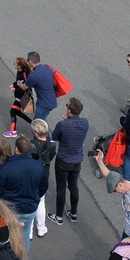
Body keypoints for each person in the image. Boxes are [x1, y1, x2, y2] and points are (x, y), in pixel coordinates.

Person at [0, 133, 49, 251]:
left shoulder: (7, 168)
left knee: (9, 237)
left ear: (16, 149)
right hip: (30, 209)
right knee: (25, 236)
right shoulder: (39, 166)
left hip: (11, 209)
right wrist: (35, 196)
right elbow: (43, 187)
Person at [48, 96, 89, 225]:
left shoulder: (63, 124)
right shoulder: (85, 123)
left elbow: (54, 137)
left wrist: (64, 120)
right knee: (73, 186)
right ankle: (73, 213)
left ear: (69, 110)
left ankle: (59, 217)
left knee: (61, 188)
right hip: (77, 160)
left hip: (63, 160)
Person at [30, 118, 57, 238]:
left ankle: (29, 231)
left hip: (32, 173)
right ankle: (41, 227)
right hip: (44, 173)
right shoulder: (52, 145)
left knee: (30, 201)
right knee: (41, 201)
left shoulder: (31, 145)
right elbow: (50, 158)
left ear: (36, 132)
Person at [13, 50, 58, 122]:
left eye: (28, 60)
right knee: (42, 123)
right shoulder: (47, 68)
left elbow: (24, 87)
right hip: (52, 100)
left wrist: (18, 84)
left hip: (44, 104)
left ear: (30, 61)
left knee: (37, 126)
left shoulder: (33, 75)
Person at [6, 55, 33, 137]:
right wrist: (13, 84)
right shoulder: (20, 72)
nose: (14, 64)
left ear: (20, 65)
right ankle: (33, 123)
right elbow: (17, 81)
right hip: (19, 96)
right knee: (17, 112)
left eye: (15, 63)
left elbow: (23, 88)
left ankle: (12, 131)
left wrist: (15, 89)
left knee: (12, 111)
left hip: (21, 96)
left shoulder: (23, 74)